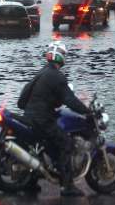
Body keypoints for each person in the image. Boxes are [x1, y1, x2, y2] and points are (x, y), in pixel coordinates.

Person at [19, 42, 90, 197]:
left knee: (41, 147)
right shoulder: (58, 76)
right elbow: (70, 100)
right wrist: (87, 111)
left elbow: (23, 96)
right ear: (60, 57)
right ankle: (68, 186)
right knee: (67, 144)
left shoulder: (42, 72)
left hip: (29, 117)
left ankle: (30, 182)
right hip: (42, 120)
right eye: (64, 55)